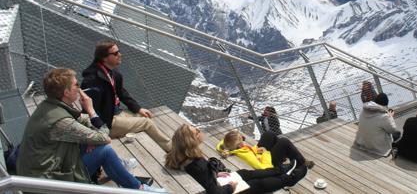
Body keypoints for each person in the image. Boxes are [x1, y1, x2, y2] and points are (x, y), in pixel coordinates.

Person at [17, 68, 167, 192]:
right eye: (76, 85)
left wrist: (90, 137)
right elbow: (105, 136)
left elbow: (83, 121)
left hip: (38, 171)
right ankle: (139, 189)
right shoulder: (61, 122)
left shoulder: (50, 106)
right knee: (105, 150)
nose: (79, 88)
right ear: (66, 93)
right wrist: (92, 110)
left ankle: (120, 169)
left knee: (96, 143)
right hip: (46, 182)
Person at [82, 40, 171, 152]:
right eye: (115, 53)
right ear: (104, 58)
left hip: (116, 113)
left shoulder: (112, 73)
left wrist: (138, 108)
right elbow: (89, 110)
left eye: (118, 51)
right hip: (107, 123)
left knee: (145, 116)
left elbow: (122, 93)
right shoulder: (92, 80)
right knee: (146, 123)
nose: (120, 55)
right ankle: (173, 150)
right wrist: (96, 135)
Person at [166, 124, 306, 194]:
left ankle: (280, 170)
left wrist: (215, 173)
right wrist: (230, 187)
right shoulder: (196, 164)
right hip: (224, 190)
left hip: (216, 182)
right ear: (192, 140)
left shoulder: (184, 156)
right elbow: (215, 192)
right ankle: (289, 179)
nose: (199, 130)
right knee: (257, 184)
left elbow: (204, 177)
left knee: (246, 173)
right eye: (196, 131)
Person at [216, 129, 314, 172]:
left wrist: (224, 146)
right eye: (242, 140)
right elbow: (263, 167)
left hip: (259, 154)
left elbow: (221, 144)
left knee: (269, 134)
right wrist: (264, 152)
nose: (243, 140)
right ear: (239, 144)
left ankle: (284, 155)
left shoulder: (231, 148)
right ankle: (302, 162)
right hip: (270, 162)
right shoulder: (245, 154)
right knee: (284, 141)